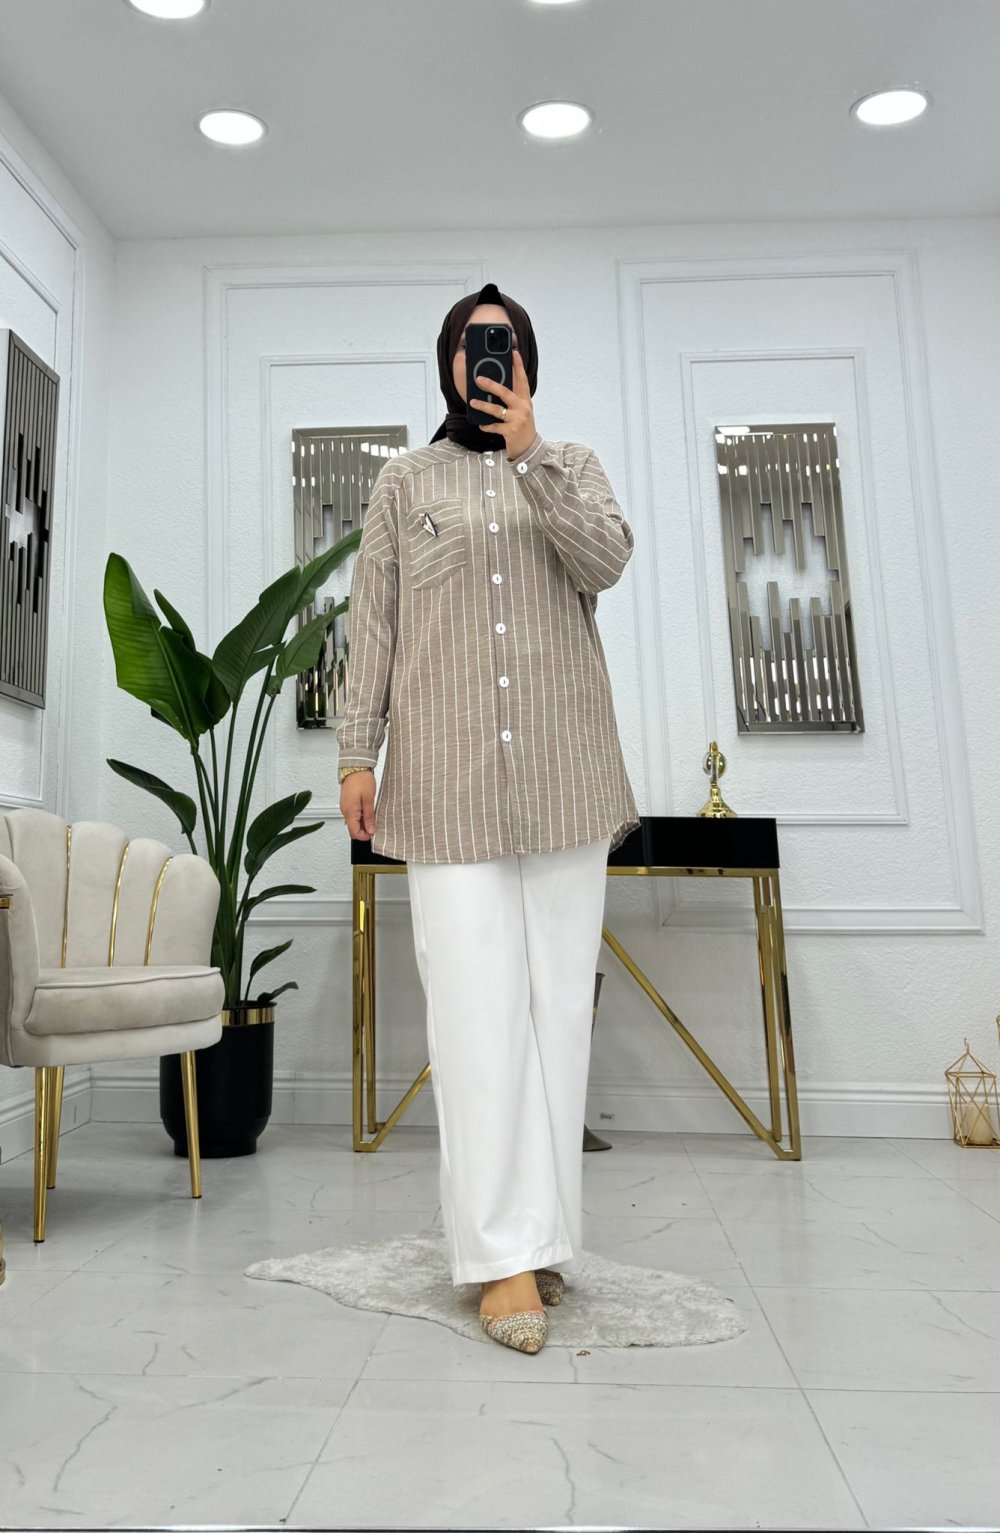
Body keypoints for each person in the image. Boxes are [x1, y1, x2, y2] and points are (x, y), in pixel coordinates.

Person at [336, 281, 639, 1354]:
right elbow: (374, 622)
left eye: (504, 343)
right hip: (445, 784)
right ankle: (500, 1257)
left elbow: (606, 562)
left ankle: (542, 1237)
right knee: (474, 1021)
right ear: (447, 364)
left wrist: (531, 456)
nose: (488, 357)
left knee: (557, 1018)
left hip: (566, 778)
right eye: (473, 343)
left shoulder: (572, 466)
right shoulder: (403, 481)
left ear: (527, 363)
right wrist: (356, 750)